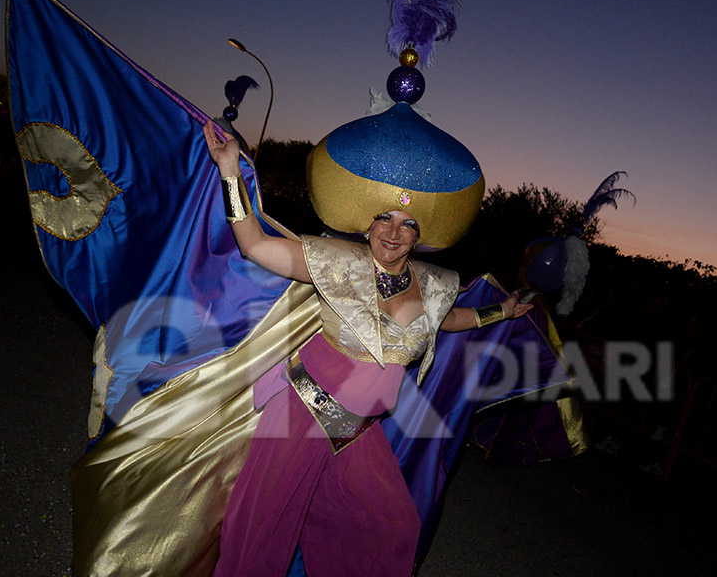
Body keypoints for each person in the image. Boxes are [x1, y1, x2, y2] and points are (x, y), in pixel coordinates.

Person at [202, 121, 533, 576]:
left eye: (408, 224)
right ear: (368, 222)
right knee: (263, 529)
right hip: (305, 408)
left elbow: (449, 320)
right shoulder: (337, 261)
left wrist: (502, 314)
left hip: (357, 427)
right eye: (385, 218)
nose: (394, 232)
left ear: (421, 235)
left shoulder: (432, 284)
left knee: (392, 526)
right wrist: (228, 171)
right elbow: (255, 245)